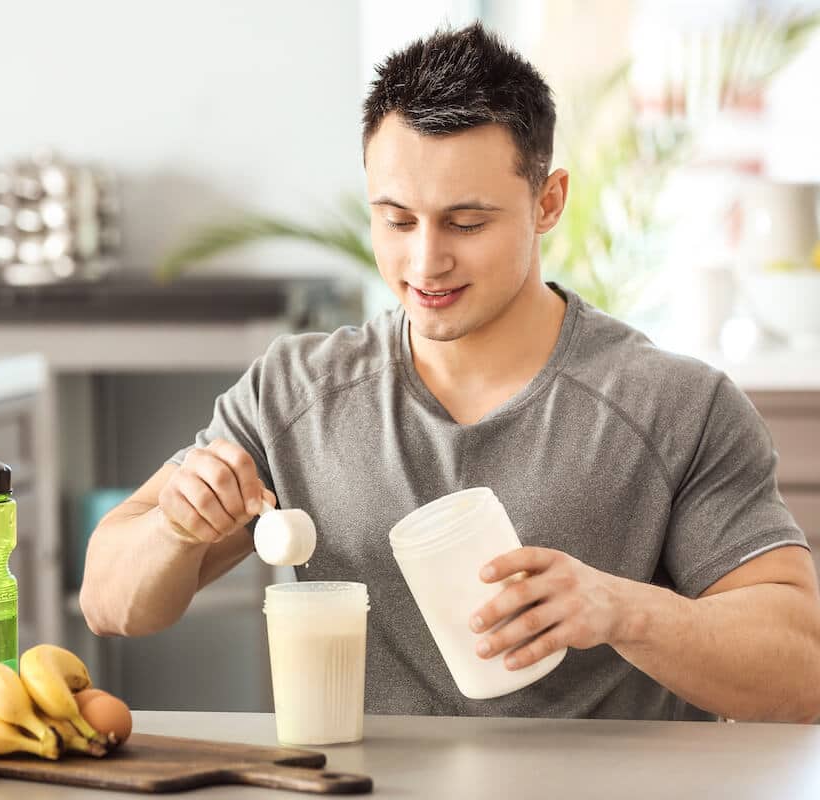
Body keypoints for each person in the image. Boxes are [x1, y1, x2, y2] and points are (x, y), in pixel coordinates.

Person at [80, 22, 820, 721]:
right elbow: (109, 601)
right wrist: (178, 527)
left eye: (466, 223)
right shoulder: (295, 394)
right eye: (397, 220)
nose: (425, 261)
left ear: (547, 202)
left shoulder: (675, 406)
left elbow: (801, 669)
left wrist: (623, 610)